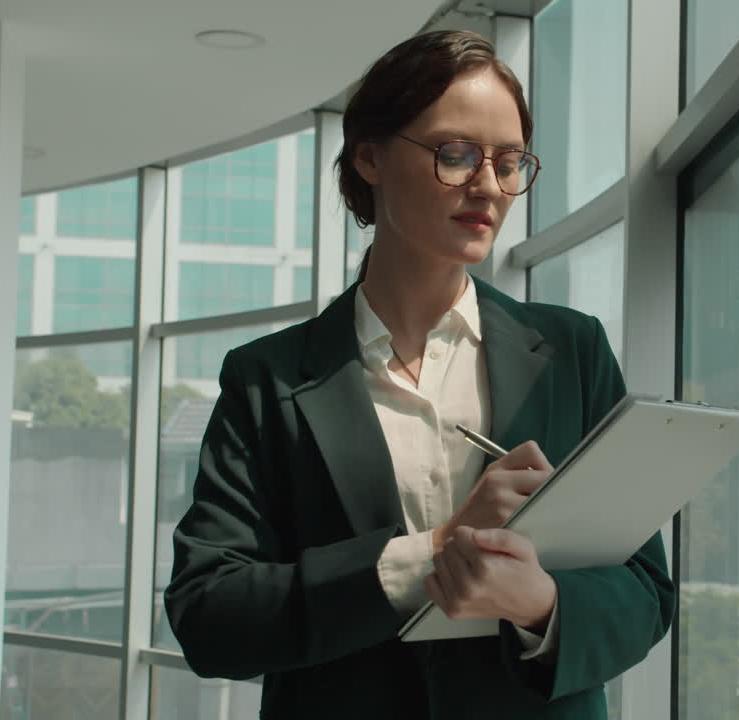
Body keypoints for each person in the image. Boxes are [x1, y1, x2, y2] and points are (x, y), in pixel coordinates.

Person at [163, 29, 674, 719]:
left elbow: (646, 590)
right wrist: (432, 555)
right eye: (455, 154)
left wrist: (542, 605)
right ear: (369, 156)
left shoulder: (572, 350)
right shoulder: (267, 379)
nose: (489, 186)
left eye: (510, 161)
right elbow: (209, 618)